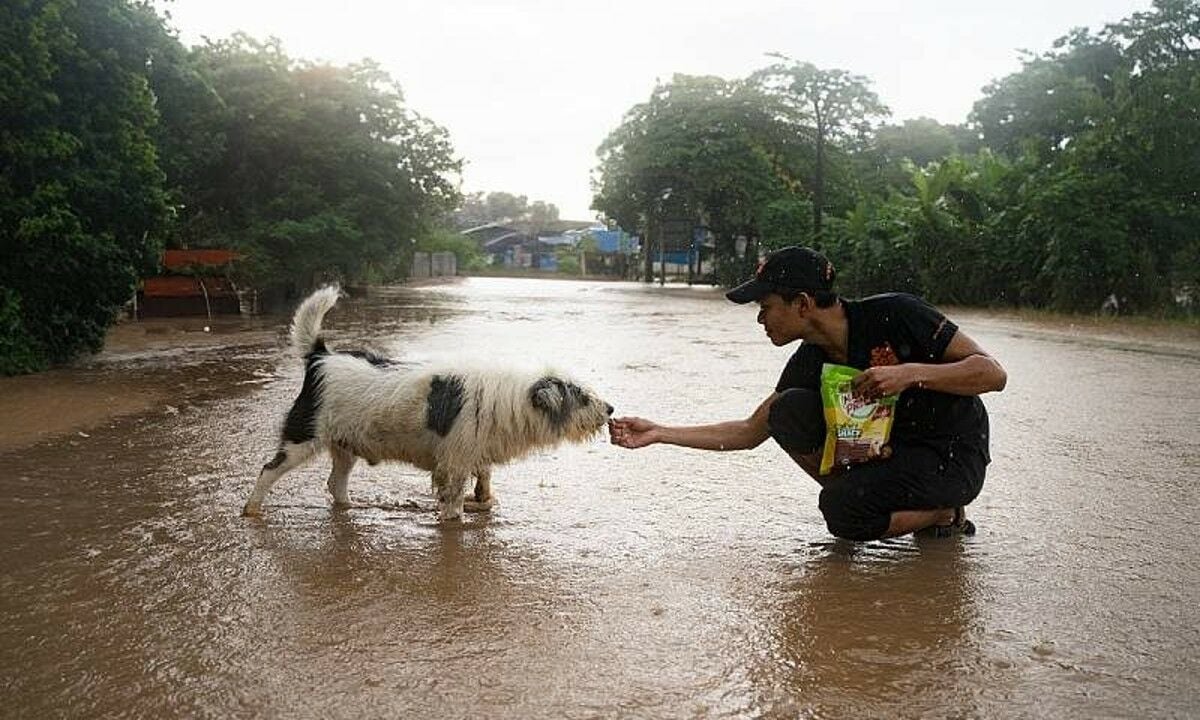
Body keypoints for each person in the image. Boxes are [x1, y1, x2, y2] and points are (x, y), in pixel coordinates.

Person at [608, 246, 1007, 540]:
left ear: (802, 304)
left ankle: (941, 514)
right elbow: (750, 432)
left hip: (952, 454)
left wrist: (909, 374)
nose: (760, 319)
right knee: (788, 412)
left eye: (765, 306)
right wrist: (659, 432)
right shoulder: (809, 361)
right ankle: (858, 495)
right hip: (890, 455)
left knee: (843, 511)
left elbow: (992, 374)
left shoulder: (896, 313)